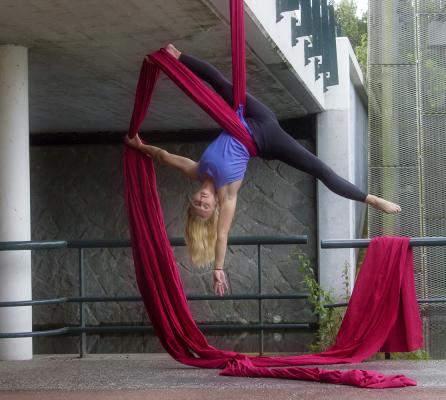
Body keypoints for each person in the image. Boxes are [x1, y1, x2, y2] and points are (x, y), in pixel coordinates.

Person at [125, 44, 401, 296]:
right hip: (267, 141)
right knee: (321, 170)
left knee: (222, 84)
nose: (202, 200)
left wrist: (140, 146)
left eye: (197, 203)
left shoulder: (196, 171)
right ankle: (373, 200)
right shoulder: (227, 195)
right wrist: (218, 269)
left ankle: (177, 56)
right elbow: (222, 235)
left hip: (251, 118)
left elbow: (162, 156)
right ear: (214, 210)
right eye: (205, 207)